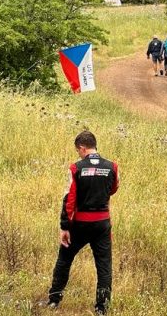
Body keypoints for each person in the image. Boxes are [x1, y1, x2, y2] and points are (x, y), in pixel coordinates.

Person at [46, 131, 119, 315]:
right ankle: (102, 308)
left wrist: (64, 226)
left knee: (64, 259)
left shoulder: (76, 168)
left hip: (80, 224)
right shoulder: (112, 167)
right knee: (104, 266)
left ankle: (54, 300)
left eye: (78, 151)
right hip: (102, 223)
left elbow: (69, 199)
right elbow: (113, 188)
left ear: (82, 148)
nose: (78, 154)